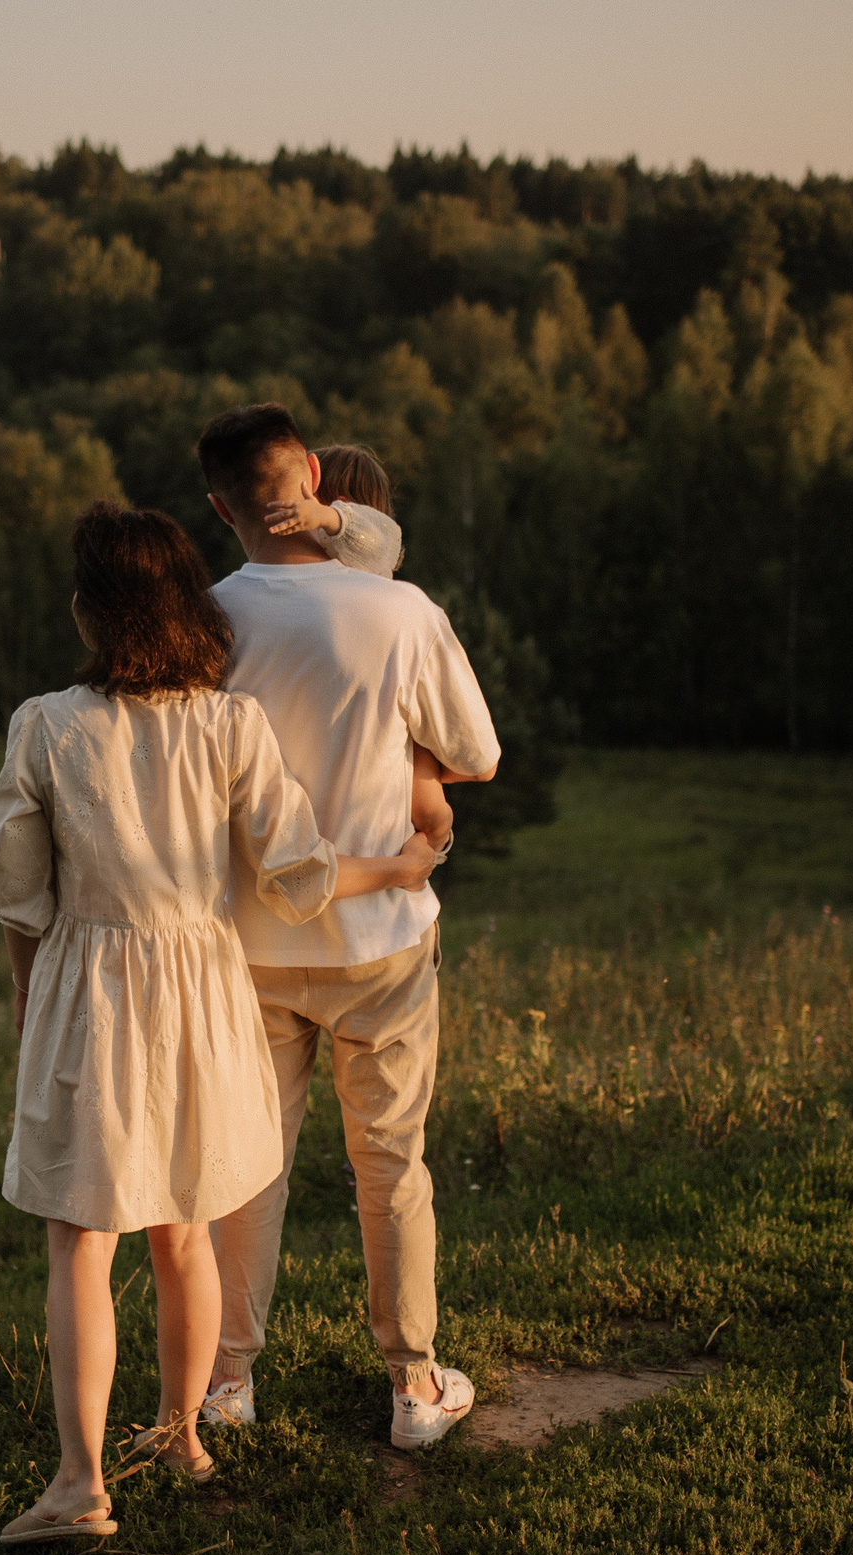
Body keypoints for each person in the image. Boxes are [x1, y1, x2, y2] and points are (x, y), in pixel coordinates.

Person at [0, 501, 437, 1544]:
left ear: (89, 611)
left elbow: (15, 893)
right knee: (184, 1228)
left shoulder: (46, 724)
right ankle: (182, 1431)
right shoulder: (229, 724)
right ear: (188, 607)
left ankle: (79, 1484)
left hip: (93, 987)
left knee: (82, 1240)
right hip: (204, 993)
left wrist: (21, 996)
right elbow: (298, 867)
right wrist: (398, 866)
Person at [195, 403, 502, 1450]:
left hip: (245, 941)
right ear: (314, 479)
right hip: (379, 935)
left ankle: (225, 1384)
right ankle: (413, 1380)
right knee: (388, 1160)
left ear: (218, 505)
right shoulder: (401, 610)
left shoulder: (204, 621)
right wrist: (411, 762)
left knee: (247, 1166)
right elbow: (478, 750)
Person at [262, 443, 456, 860]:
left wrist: (326, 517)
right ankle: (430, 849)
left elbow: (383, 538)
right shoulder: (394, 604)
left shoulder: (368, 548)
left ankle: (430, 847)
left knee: (431, 808)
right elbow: (477, 764)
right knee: (430, 806)